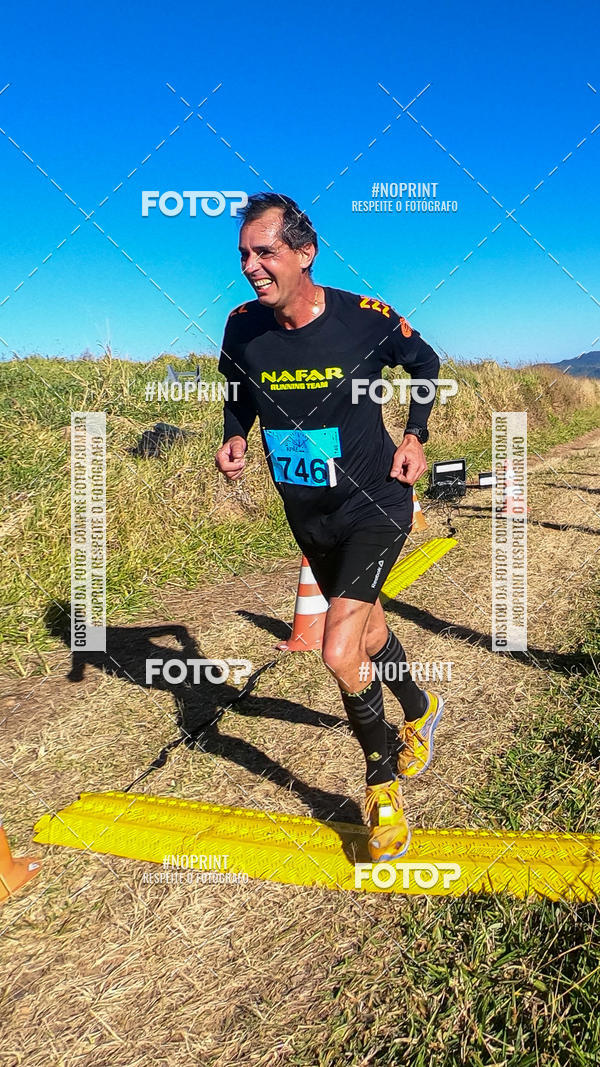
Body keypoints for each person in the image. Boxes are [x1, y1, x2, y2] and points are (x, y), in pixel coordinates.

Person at [215, 192, 444, 863]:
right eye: (244, 254)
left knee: (340, 652)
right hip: (307, 514)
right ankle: (420, 706)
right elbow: (236, 388)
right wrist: (234, 436)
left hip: (376, 501)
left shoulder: (362, 317)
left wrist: (415, 435)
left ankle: (381, 791)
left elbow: (425, 363)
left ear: (304, 252)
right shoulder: (241, 327)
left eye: (266, 251)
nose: (252, 266)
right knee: (368, 633)